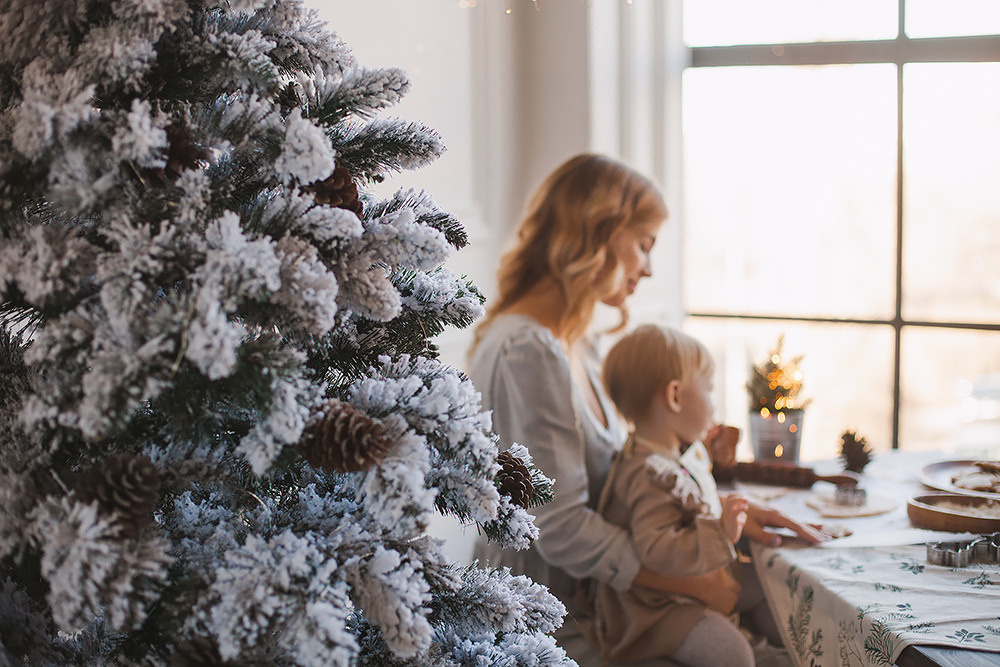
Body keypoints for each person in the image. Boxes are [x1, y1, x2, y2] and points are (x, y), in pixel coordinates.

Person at [467, 153, 823, 666]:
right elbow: (559, 525)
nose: (648, 268)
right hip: (546, 620)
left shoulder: (576, 347)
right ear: (598, 232)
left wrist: (718, 511)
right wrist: (694, 582)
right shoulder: (529, 351)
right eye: (643, 245)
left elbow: (625, 479)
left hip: (603, 600)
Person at [590, 324, 787, 666]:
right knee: (731, 653)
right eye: (709, 391)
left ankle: (788, 649)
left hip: (688, 585)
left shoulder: (673, 455)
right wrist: (721, 532)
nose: (713, 404)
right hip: (656, 608)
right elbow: (656, 549)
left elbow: (693, 496)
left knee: (775, 588)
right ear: (675, 396)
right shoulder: (649, 473)